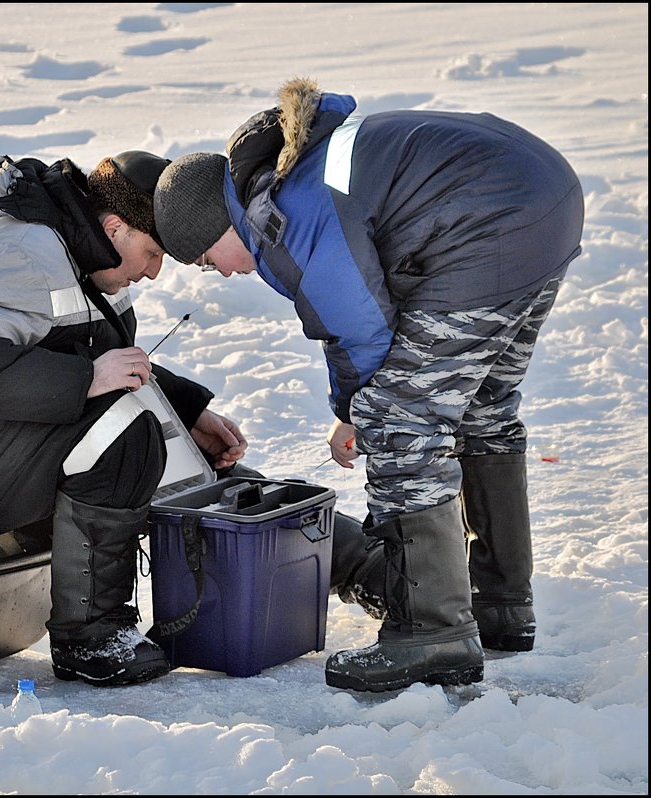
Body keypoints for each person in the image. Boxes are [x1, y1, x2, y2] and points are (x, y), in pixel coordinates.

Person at [152, 78, 584, 692]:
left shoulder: (288, 212)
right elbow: (354, 314)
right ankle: (501, 605)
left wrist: (357, 412)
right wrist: (352, 403)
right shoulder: (292, 179)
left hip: (490, 221)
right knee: (478, 406)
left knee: (402, 418)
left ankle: (430, 632)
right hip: (542, 200)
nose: (216, 272)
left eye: (202, 258)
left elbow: (358, 327)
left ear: (212, 224)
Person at [0, 150, 248, 687]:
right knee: (119, 428)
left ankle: (348, 565)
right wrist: (86, 382)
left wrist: (188, 411)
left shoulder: (87, 259)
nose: (154, 272)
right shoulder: (22, 248)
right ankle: (91, 639)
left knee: (161, 441)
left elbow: (93, 361)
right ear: (114, 226)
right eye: (152, 252)